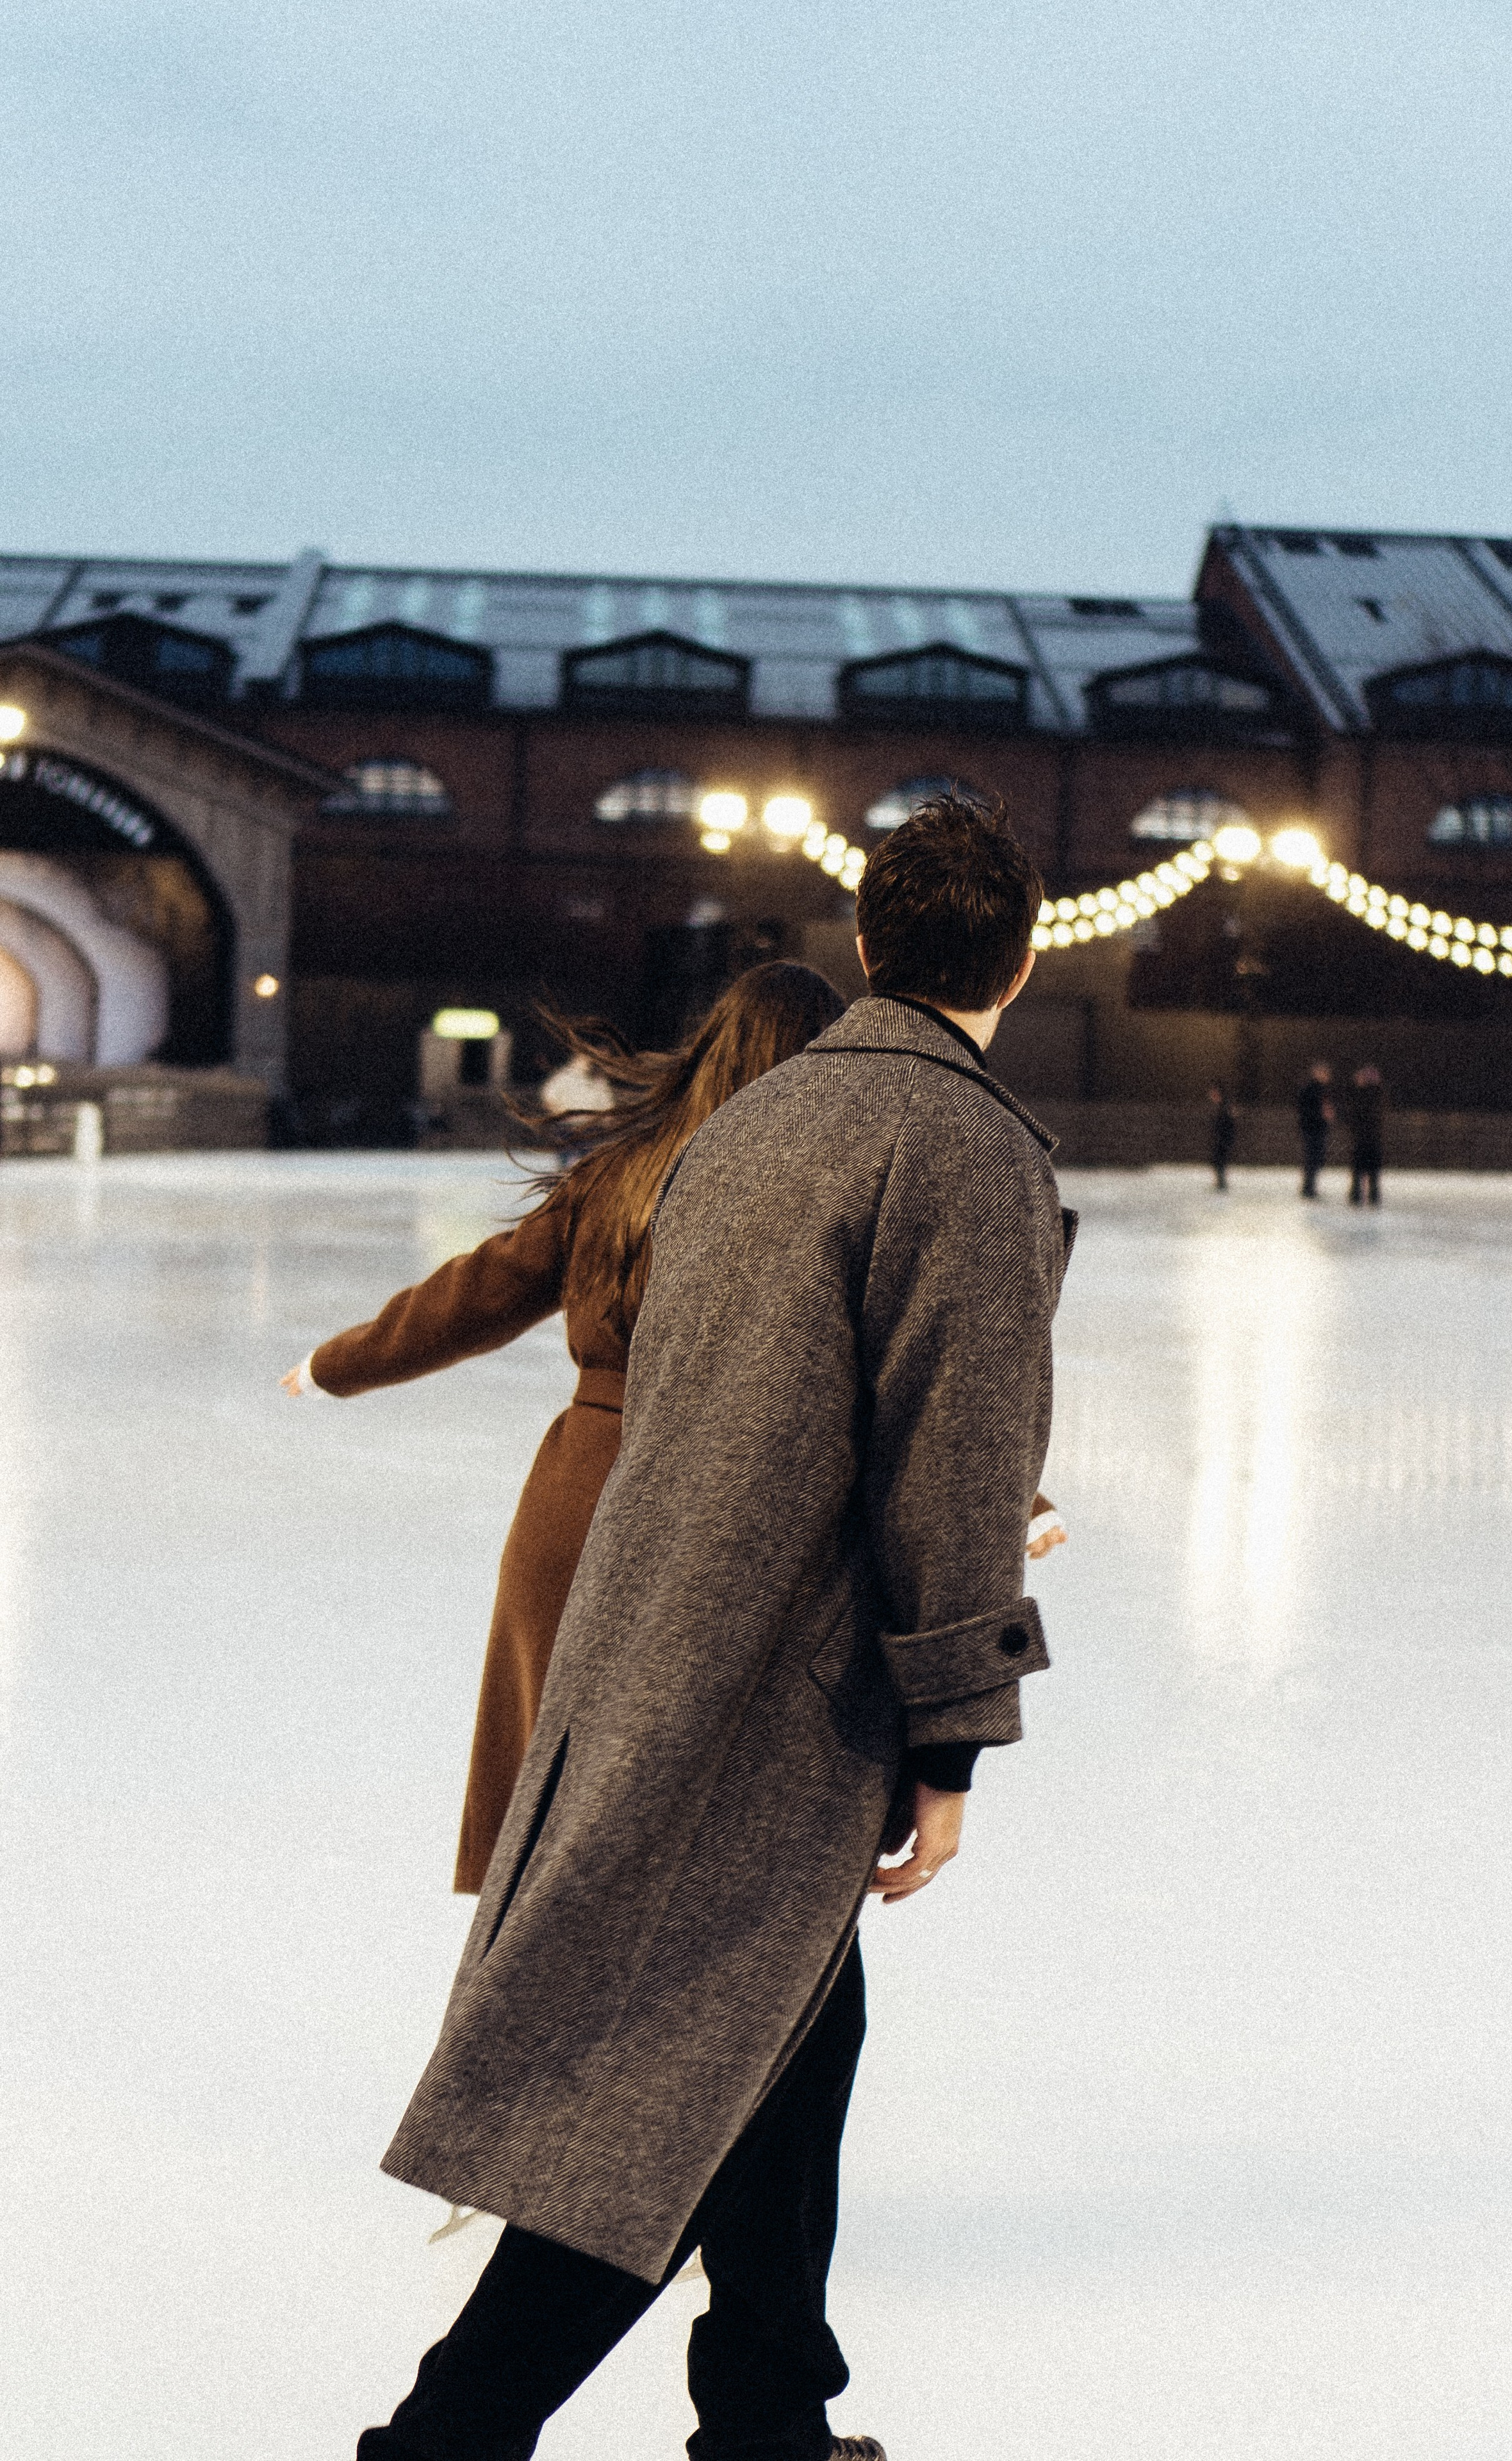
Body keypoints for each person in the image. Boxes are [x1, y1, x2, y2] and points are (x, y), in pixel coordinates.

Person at [354, 793, 1075, 2461]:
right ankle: (440, 2443)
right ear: (1022, 963)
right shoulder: (972, 1150)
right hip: (777, 1701)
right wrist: (952, 1744)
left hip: (647, 1646)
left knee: (794, 2037)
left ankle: (765, 2417)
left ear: (868, 944)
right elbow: (950, 1466)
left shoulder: (744, 1130)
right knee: (670, 2096)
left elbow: (751, 1409)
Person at [282, 965, 848, 1894]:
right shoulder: (830, 1199)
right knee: (701, 1845)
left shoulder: (617, 1178)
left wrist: (336, 1363)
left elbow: (479, 1293)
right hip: (731, 1506)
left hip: (581, 1501)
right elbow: (896, 1372)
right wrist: (1006, 1496)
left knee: (554, 1832)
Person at [1345, 1063, 1385, 1207]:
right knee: (1373, 1169)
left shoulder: (1361, 1095)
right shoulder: (1378, 1095)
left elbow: (1354, 1116)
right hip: (1373, 1136)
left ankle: (1357, 1195)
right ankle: (1373, 1196)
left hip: (1362, 1137)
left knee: (1359, 1167)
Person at [1297, 1060, 1334, 1198]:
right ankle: (1309, 1188)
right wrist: (1322, 1114)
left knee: (1315, 1159)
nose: (1327, 1076)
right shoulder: (1311, 1089)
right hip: (1313, 1128)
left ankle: (1310, 1187)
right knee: (1313, 1159)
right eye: (1324, 1073)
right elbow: (1306, 1110)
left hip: (1316, 1128)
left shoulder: (1321, 1090)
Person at [1208, 1080, 1237, 1191]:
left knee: (1219, 1160)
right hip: (1222, 1138)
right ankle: (1221, 1183)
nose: (1211, 1095)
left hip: (1224, 1138)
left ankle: (1222, 1184)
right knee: (1218, 1161)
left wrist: (1225, 1138)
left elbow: (1228, 1124)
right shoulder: (1223, 1106)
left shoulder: (1224, 1107)